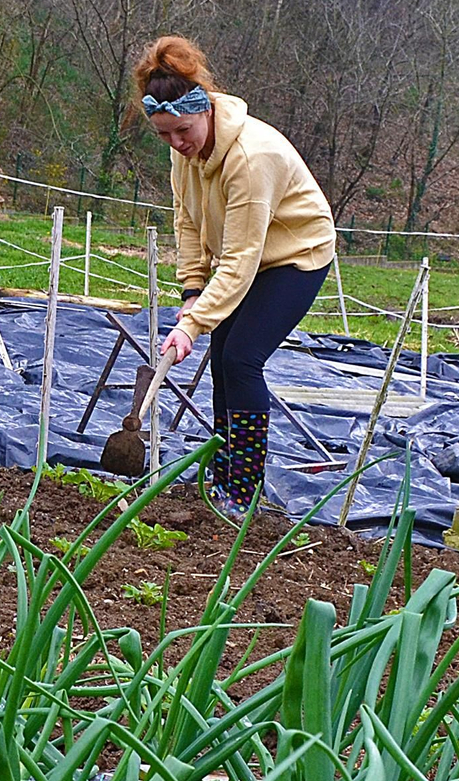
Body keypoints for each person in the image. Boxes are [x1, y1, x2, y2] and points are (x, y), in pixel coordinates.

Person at [137, 35, 336, 513]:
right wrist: (191, 291)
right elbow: (187, 220)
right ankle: (224, 472)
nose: (176, 144)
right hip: (242, 256)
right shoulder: (183, 150)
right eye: (164, 135)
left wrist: (190, 325)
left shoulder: (251, 158)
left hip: (294, 255)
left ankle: (241, 490)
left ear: (205, 110)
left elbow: (242, 261)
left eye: (182, 131)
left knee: (242, 359)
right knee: (223, 358)